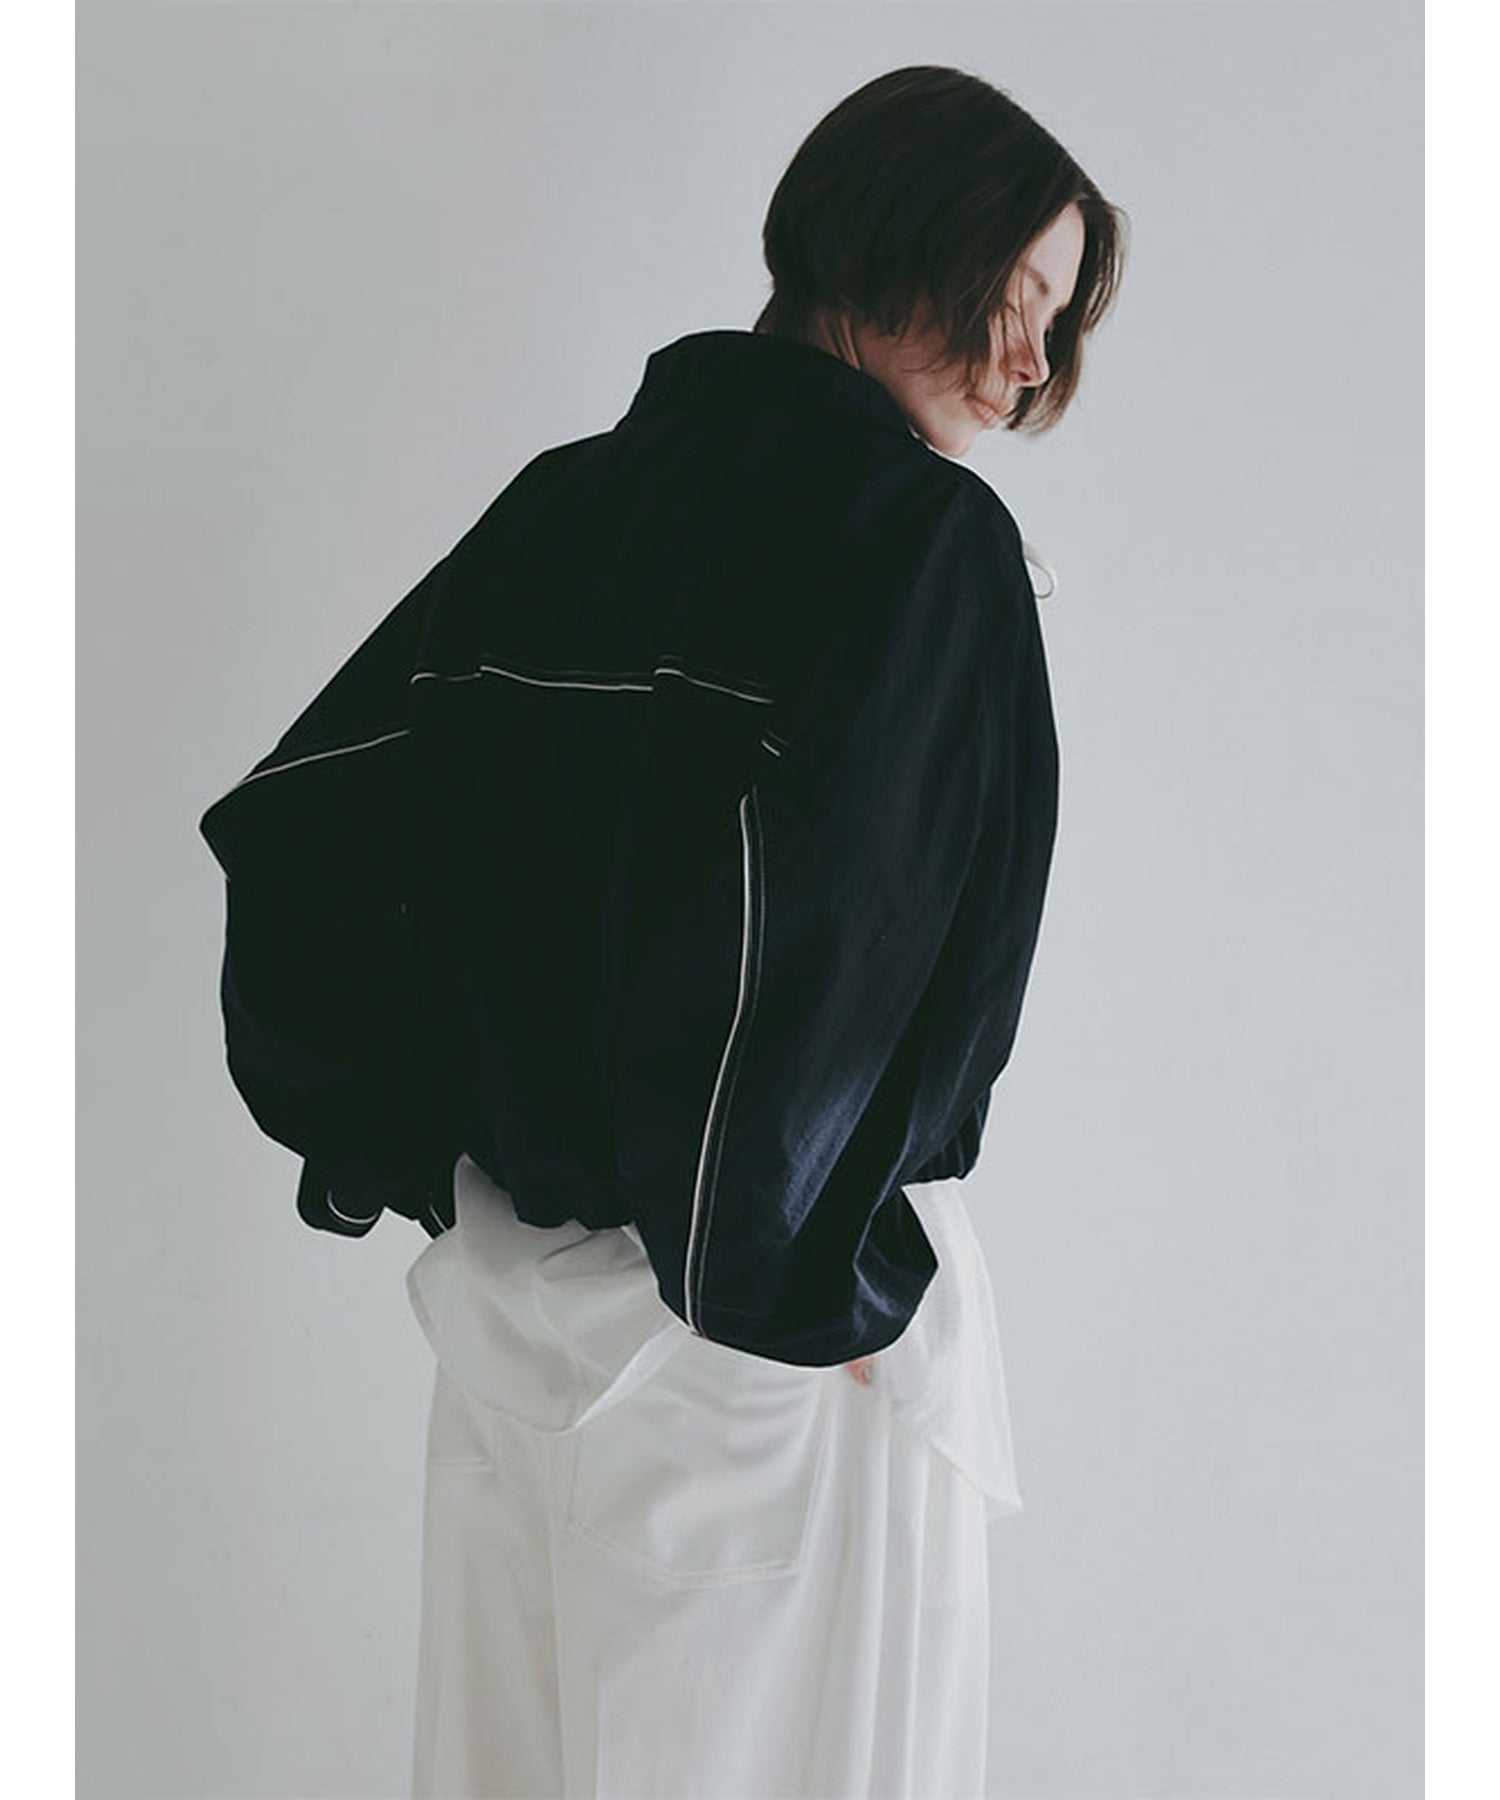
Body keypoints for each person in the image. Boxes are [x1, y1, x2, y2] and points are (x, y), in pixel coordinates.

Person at [199, 61, 1124, 1800]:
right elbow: (847, 943)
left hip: (521, 1328)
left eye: (1057, 324)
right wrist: (802, 1273)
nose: (1029, 365)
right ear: (885, 241)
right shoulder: (922, 543)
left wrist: (429, 1155)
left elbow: (305, 830)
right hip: (780, 1358)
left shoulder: (565, 508)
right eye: (1013, 299)